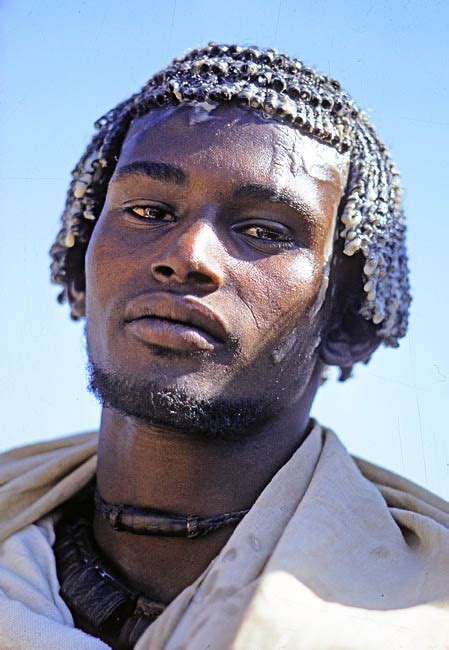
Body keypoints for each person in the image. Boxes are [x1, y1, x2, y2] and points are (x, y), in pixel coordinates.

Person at [1, 42, 448, 650]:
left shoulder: (422, 613)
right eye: (147, 210)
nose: (187, 256)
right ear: (80, 274)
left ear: (348, 325)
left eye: (263, 231)